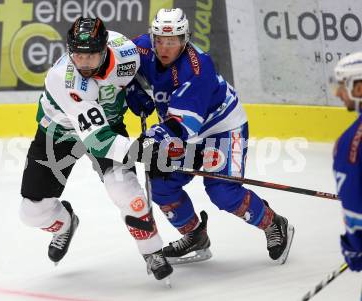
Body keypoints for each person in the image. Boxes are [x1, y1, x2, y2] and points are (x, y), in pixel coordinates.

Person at [126, 8, 295, 265]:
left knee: (223, 191)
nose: (163, 47)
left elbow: (182, 127)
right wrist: (130, 87)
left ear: (184, 40)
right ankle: (195, 236)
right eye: (159, 39)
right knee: (160, 184)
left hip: (222, 129)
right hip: (181, 131)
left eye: (171, 42)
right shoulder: (143, 48)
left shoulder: (197, 68)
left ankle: (274, 223)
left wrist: (149, 141)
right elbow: (113, 59)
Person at [20, 17, 173, 280]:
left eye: (91, 56)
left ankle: (152, 250)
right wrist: (146, 151)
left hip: (109, 124)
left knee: (128, 193)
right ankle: (66, 222)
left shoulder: (126, 52)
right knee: (32, 212)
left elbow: (147, 60)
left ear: (105, 50)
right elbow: (98, 140)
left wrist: (134, 90)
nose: (85, 64)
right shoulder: (63, 80)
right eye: (78, 56)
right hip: (60, 132)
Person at [333, 52, 362, 272]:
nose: (337, 93)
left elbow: (355, 213)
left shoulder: (351, 143)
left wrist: (354, 250)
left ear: (358, 88)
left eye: (342, 85)